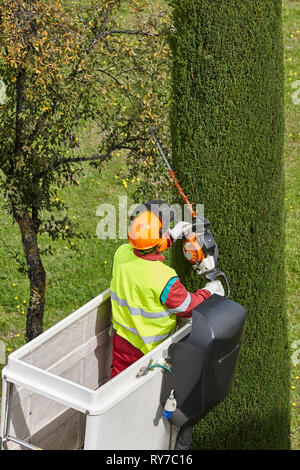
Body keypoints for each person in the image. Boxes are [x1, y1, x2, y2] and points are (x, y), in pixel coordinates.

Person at [109, 201, 224, 449]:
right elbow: (188, 308)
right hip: (150, 348)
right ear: (156, 243)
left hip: (122, 339)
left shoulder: (121, 254)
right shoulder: (164, 278)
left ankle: (113, 429)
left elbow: (142, 250)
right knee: (149, 399)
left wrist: (171, 236)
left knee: (117, 390)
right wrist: (209, 292)